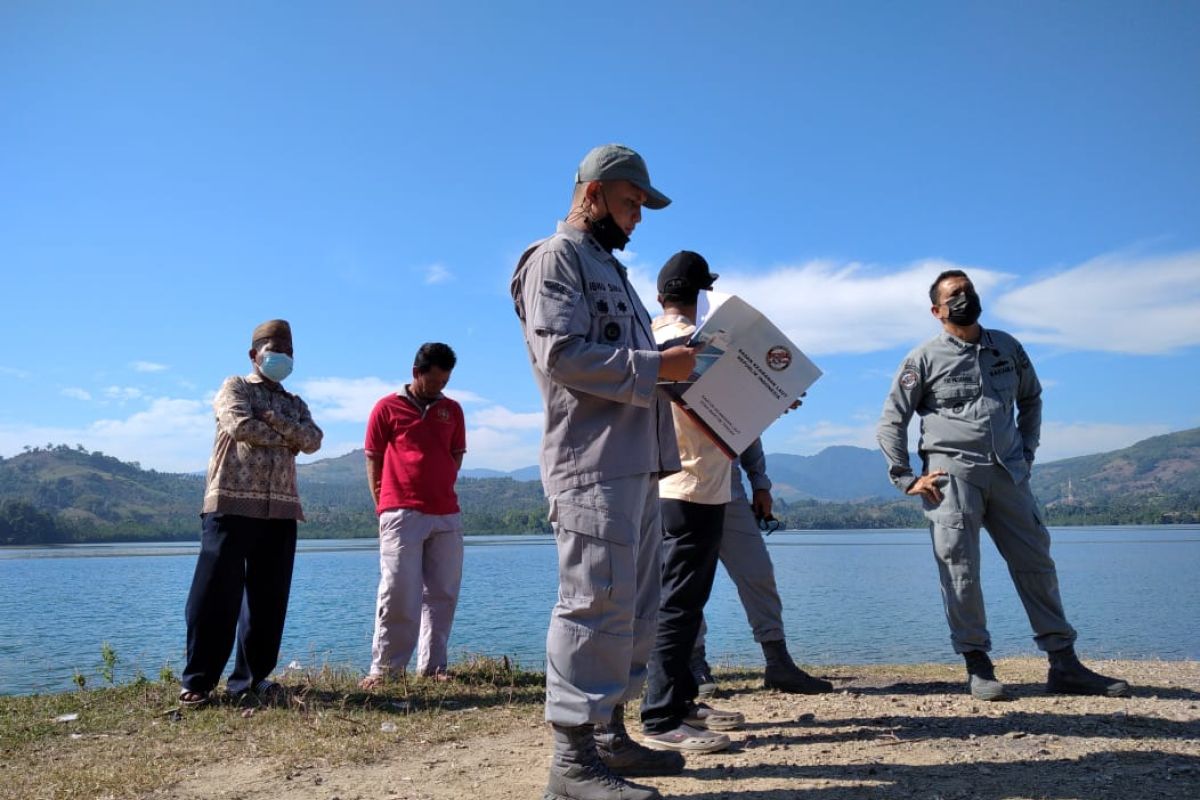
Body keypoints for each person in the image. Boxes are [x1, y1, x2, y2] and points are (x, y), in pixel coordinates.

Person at [511, 144, 698, 800]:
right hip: (591, 467)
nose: (638, 217)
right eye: (629, 203)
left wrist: (693, 372)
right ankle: (572, 760)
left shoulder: (610, 270)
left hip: (639, 465)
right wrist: (657, 367)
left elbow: (630, 365)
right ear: (592, 194)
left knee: (633, 606)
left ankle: (610, 733)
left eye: (641, 206)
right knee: (592, 603)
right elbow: (562, 354)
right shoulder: (554, 259)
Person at [877, 270, 1129, 701]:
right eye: (954, 295)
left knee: (1037, 562)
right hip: (951, 476)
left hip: (1009, 474)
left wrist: (1027, 454)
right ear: (937, 311)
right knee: (960, 572)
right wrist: (906, 478)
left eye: (969, 291)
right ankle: (978, 665)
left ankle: (1063, 663)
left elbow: (1031, 399)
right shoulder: (922, 359)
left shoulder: (1007, 347)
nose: (964, 298)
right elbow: (891, 421)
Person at [180, 319, 323, 707]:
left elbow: (314, 440)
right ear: (254, 354)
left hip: (281, 508)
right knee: (214, 594)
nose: (284, 357)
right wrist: (287, 434)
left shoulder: (294, 403)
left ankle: (251, 678)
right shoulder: (234, 387)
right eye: (276, 349)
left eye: (289, 351)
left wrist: (276, 421)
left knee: (269, 598)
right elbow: (240, 425)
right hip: (229, 503)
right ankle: (198, 681)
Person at [638, 250, 747, 756]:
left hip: (679, 485)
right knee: (680, 604)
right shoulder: (690, 347)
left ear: (662, 295)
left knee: (683, 601)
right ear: (702, 296)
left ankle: (681, 702)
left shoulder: (654, 343)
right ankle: (660, 717)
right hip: (690, 486)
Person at [689, 437, 834, 696]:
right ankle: (695, 665)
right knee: (687, 582)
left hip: (729, 486)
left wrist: (760, 484)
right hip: (678, 485)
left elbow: (748, 425)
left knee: (758, 573)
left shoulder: (734, 394)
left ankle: (778, 663)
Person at [360, 343, 467, 688]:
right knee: (397, 591)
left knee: (442, 593)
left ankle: (434, 667)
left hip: (446, 513)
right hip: (400, 512)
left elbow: (455, 455)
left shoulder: (452, 410)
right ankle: (386, 670)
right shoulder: (386, 407)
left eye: (445, 381)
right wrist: (383, 501)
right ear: (416, 373)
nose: (440, 387)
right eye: (434, 381)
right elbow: (373, 457)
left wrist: (441, 483)